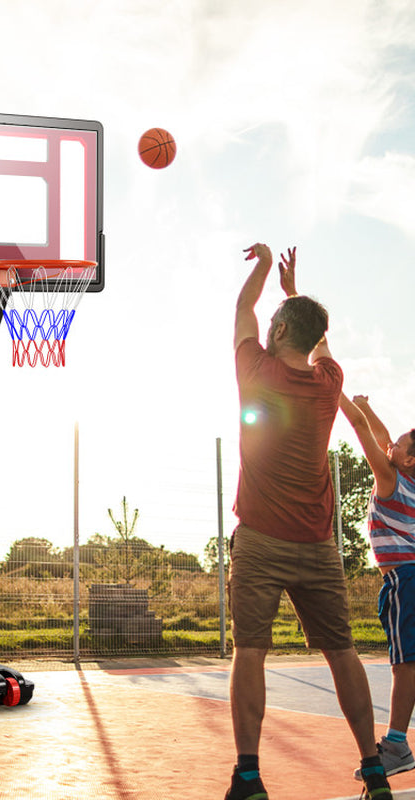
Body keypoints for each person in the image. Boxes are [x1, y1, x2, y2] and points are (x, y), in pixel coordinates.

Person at [226, 242, 392, 800]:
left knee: (251, 650)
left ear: (276, 333)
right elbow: (320, 344)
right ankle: (373, 769)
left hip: (260, 541)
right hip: (318, 544)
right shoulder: (330, 382)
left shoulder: (255, 368)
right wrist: (296, 294)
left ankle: (248, 777)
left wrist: (267, 266)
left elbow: (242, 311)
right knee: (341, 651)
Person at [339, 392, 415, 779]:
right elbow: (383, 435)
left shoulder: (390, 480)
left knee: (406, 662)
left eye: (397, 446)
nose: (390, 445)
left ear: (408, 460)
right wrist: (368, 407)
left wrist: (330, 385)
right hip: (409, 576)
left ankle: (398, 743)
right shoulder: (409, 480)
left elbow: (364, 433)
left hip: (406, 578)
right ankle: (399, 740)